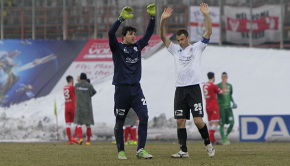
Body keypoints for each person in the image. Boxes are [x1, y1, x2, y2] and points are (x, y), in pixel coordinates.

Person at [159, 3, 215, 158]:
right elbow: (163, 37)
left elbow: (209, 32)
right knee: (180, 121)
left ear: (188, 38)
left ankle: (208, 143)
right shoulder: (175, 50)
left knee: (198, 121)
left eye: (182, 39)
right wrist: (162, 20)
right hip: (180, 89)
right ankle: (183, 150)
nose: (181, 42)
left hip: (194, 89)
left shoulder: (197, 47)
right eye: (178, 40)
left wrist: (207, 15)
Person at [108, 3, 155, 160]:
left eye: (134, 34)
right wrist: (120, 19)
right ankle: (121, 151)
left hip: (136, 90)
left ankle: (140, 149)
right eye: (130, 34)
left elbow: (148, 34)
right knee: (120, 121)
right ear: (123, 37)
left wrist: (152, 17)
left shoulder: (137, 46)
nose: (133, 36)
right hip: (121, 90)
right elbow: (110, 33)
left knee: (144, 116)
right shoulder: (117, 48)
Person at [74, 73, 97, 146]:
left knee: (79, 124)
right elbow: (93, 92)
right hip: (87, 107)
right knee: (88, 125)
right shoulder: (89, 85)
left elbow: (75, 92)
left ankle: (80, 138)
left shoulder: (77, 85)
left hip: (79, 107)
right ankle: (88, 141)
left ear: (80, 78)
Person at [203, 72, 224, 144]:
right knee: (215, 123)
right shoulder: (213, 85)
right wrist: (223, 85)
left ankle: (213, 141)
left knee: (211, 124)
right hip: (213, 106)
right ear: (213, 77)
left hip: (207, 106)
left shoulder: (204, 85)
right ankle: (208, 140)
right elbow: (222, 92)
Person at [217, 72, 237, 145]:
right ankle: (224, 140)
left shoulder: (230, 86)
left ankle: (225, 136)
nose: (224, 78)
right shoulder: (218, 86)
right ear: (221, 77)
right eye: (222, 76)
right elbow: (216, 96)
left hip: (228, 108)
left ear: (227, 77)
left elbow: (230, 95)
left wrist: (233, 102)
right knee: (221, 124)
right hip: (221, 108)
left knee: (232, 123)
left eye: (225, 76)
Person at [63, 75, 78, 145]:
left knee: (68, 124)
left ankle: (69, 140)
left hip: (66, 107)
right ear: (71, 80)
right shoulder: (72, 87)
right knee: (78, 123)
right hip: (72, 107)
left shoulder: (64, 87)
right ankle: (74, 137)